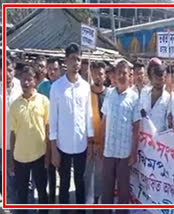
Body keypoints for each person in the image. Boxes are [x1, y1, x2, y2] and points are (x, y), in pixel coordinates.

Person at [49, 43, 94, 214]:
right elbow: (53, 120)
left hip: (81, 144)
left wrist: (90, 143)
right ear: (66, 61)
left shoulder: (84, 86)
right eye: (73, 59)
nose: (76, 63)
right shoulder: (57, 88)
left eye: (79, 59)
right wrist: (54, 150)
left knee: (80, 182)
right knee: (65, 184)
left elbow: (88, 115)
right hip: (63, 146)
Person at [100, 60, 140, 214]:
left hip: (124, 153)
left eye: (125, 73)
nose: (122, 76)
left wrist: (134, 152)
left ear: (129, 76)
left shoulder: (134, 97)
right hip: (109, 151)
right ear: (115, 76)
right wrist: (102, 146)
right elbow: (104, 121)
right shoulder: (109, 94)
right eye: (119, 73)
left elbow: (137, 127)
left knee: (123, 193)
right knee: (107, 191)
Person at [9, 66, 49, 214]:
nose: (26, 82)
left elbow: (48, 129)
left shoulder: (43, 101)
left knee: (42, 191)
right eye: (23, 79)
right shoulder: (15, 105)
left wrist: (49, 155)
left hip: (40, 154)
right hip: (20, 156)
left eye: (29, 79)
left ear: (35, 81)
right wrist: (12, 159)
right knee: (22, 194)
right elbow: (13, 133)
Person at [37, 57, 62, 204]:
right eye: (50, 69)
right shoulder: (43, 87)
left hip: (62, 132)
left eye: (55, 69)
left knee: (62, 168)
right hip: (47, 132)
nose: (52, 72)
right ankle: (51, 197)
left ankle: (61, 196)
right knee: (49, 167)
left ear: (60, 70)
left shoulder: (64, 85)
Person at [0, 58, 22, 206]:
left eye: (10, 70)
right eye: (4, 70)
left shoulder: (20, 87)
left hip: (19, 143)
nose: (7, 74)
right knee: (7, 181)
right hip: (2, 143)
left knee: (18, 180)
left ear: (14, 70)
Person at [84, 61, 107, 205]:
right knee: (86, 177)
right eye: (96, 73)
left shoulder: (110, 94)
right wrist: (89, 142)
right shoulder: (86, 93)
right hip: (87, 144)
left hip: (103, 144)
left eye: (101, 74)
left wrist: (103, 144)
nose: (98, 77)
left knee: (100, 178)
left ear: (105, 76)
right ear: (91, 74)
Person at [140, 64, 170, 132]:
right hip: (143, 137)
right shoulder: (144, 93)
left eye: (160, 79)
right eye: (156, 78)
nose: (158, 81)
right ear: (151, 78)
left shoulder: (168, 99)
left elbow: (167, 124)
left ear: (164, 79)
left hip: (159, 138)